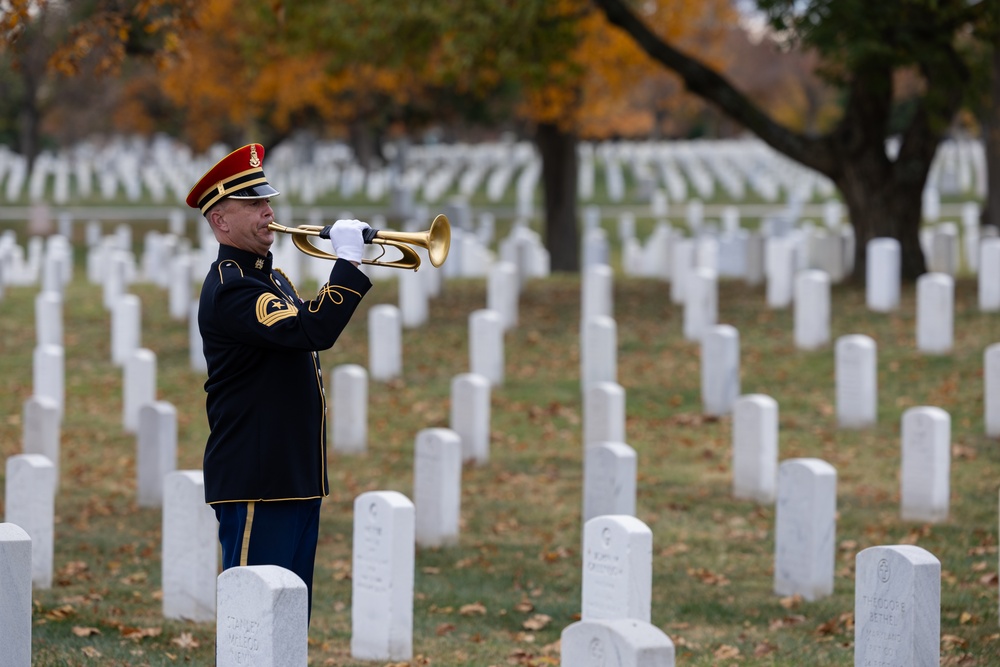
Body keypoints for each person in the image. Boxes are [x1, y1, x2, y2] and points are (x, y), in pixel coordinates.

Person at [185, 143, 372, 617]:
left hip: (295, 478)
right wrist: (347, 265)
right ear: (220, 221)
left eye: (267, 201)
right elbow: (314, 330)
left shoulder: (270, 278)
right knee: (253, 622)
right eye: (253, 205)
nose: (269, 212)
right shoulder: (232, 288)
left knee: (287, 623)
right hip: (258, 480)